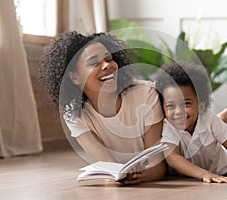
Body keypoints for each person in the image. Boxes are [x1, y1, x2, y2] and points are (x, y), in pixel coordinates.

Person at [38, 31, 165, 184]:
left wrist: (138, 175)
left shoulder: (145, 94)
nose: (107, 65)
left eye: (109, 59)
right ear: (75, 77)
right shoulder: (74, 113)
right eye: (94, 63)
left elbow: (157, 165)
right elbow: (107, 162)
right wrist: (120, 175)